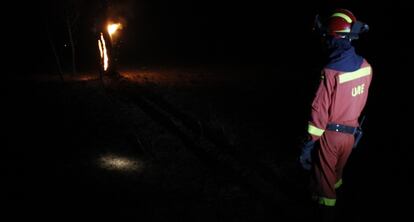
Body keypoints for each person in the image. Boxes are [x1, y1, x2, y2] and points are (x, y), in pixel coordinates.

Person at [299, 8, 372, 221]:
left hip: (330, 137)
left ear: (332, 37)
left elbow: (319, 112)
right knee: (337, 180)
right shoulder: (366, 67)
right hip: (351, 137)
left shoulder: (330, 71)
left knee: (324, 190)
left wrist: (309, 143)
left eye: (325, 37)